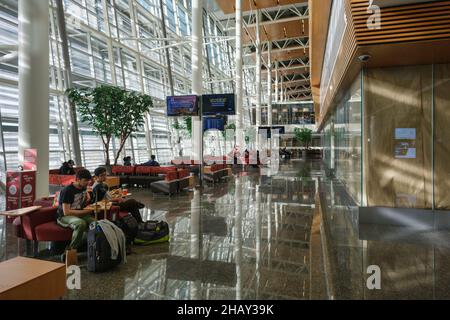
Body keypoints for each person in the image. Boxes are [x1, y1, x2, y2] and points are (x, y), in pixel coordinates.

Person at [56, 169, 95, 251]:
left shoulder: (83, 187)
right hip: (63, 216)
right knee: (80, 224)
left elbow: (82, 204)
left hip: (78, 213)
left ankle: (85, 245)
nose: (88, 182)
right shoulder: (67, 190)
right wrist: (87, 211)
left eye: (88, 180)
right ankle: (71, 250)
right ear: (77, 179)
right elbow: (67, 212)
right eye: (85, 180)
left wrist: (88, 200)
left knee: (96, 224)